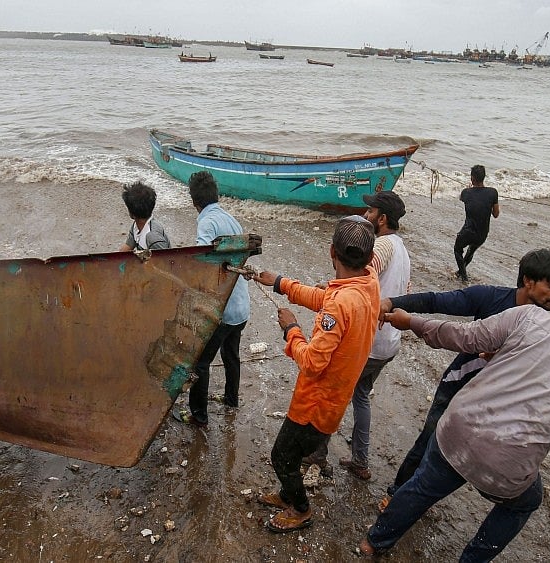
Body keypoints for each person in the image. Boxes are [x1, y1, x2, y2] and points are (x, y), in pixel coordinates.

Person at [360, 272, 550, 560]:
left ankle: (374, 542)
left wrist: (411, 321)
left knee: (424, 485)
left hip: (457, 428)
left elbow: (462, 336)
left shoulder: (528, 317)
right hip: (507, 464)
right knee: (526, 502)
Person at [381, 249, 550, 506]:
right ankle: (397, 494)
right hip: (457, 386)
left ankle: (417, 499)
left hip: (494, 403)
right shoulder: (489, 297)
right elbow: (437, 301)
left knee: (459, 459)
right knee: (429, 440)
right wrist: (392, 302)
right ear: (528, 281)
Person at [252, 215, 380, 533]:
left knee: (282, 456)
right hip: (335, 399)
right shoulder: (368, 285)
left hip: (316, 404)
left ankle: (300, 509)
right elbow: (325, 298)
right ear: (370, 258)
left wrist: (291, 329)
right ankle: (287, 495)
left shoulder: (340, 305)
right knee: (291, 454)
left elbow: (311, 363)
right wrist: (281, 283)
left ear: (331, 252)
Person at [303, 191, 411, 480]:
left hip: (368, 344)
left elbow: (359, 279)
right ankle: (360, 461)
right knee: (361, 396)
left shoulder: (383, 246)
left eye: (370, 212)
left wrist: (335, 294)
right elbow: (404, 291)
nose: (366, 216)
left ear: (383, 218)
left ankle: (317, 454)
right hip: (388, 344)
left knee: (331, 395)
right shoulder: (402, 249)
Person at [172, 171, 249, 427]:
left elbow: (205, 267)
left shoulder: (206, 223)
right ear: (216, 195)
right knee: (231, 356)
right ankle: (231, 400)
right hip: (241, 308)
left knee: (201, 362)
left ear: (194, 201)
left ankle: (198, 415)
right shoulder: (231, 219)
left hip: (224, 311)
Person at [453, 165, 498, 281]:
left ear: (472, 178)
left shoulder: (466, 193)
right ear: (484, 177)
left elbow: (461, 198)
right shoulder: (493, 192)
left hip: (468, 232)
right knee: (471, 250)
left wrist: (469, 189)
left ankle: (464, 277)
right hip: (482, 234)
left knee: (457, 249)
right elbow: (496, 214)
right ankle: (460, 273)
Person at [119, 181, 171, 251]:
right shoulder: (136, 227)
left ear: (132, 213)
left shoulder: (153, 236)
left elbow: (166, 258)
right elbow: (127, 247)